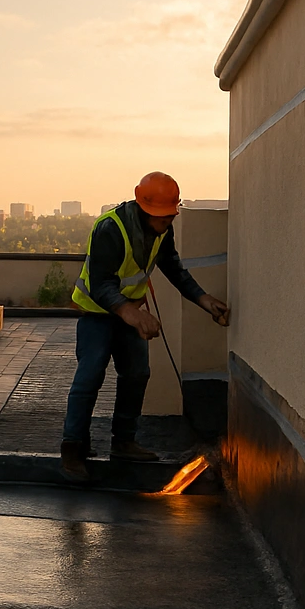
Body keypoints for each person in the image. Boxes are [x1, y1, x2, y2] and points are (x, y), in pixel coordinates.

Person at [60, 172, 230, 482]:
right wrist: (131, 314)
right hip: (97, 314)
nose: (167, 222)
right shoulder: (110, 228)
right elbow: (101, 284)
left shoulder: (162, 230)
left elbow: (173, 268)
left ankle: (124, 441)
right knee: (90, 376)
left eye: (170, 215)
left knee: (137, 373)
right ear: (143, 208)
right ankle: (73, 449)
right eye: (161, 216)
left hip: (129, 313)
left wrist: (202, 298)